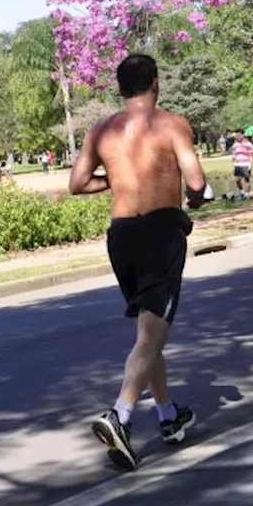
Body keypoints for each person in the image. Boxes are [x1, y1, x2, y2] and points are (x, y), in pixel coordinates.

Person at [71, 54, 207, 470]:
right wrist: (194, 200)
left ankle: (167, 415)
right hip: (160, 231)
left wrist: (115, 179)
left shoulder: (100, 130)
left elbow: (77, 183)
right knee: (151, 335)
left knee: (149, 331)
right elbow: (197, 181)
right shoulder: (170, 124)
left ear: (119, 88)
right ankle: (121, 415)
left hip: (122, 235)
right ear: (156, 83)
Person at [230, 130, 253, 199]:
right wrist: (234, 161)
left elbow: (251, 155)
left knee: (246, 179)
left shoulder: (248, 144)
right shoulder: (235, 144)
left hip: (246, 163)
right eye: (237, 135)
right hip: (238, 164)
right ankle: (242, 191)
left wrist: (250, 164)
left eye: (239, 135)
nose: (238, 137)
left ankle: (247, 193)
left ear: (243, 135)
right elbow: (234, 154)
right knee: (237, 179)